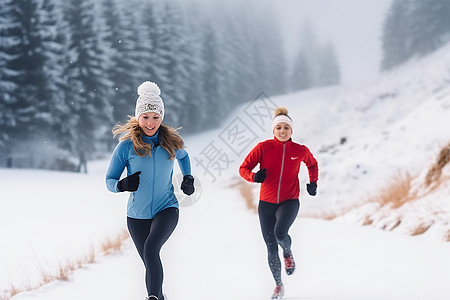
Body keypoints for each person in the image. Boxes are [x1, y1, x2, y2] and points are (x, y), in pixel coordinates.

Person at [106, 81, 195, 300]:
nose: (150, 122)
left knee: (151, 249)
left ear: (161, 117)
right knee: (149, 259)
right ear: (138, 117)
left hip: (167, 208)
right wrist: (122, 185)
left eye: (156, 117)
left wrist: (188, 178)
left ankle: (153, 297)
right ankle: (159, 296)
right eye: (145, 117)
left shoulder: (171, 142)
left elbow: (184, 157)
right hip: (136, 216)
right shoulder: (126, 146)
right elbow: (109, 180)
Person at [239, 107, 318, 300]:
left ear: (292, 131)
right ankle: (278, 285)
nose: (282, 131)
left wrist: (313, 182)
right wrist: (254, 176)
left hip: (289, 201)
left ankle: (288, 252)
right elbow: (243, 168)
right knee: (270, 246)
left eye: (286, 128)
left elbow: (312, 164)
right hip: (266, 203)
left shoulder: (300, 150)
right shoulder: (263, 148)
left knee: (280, 234)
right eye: (279, 128)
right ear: (273, 131)